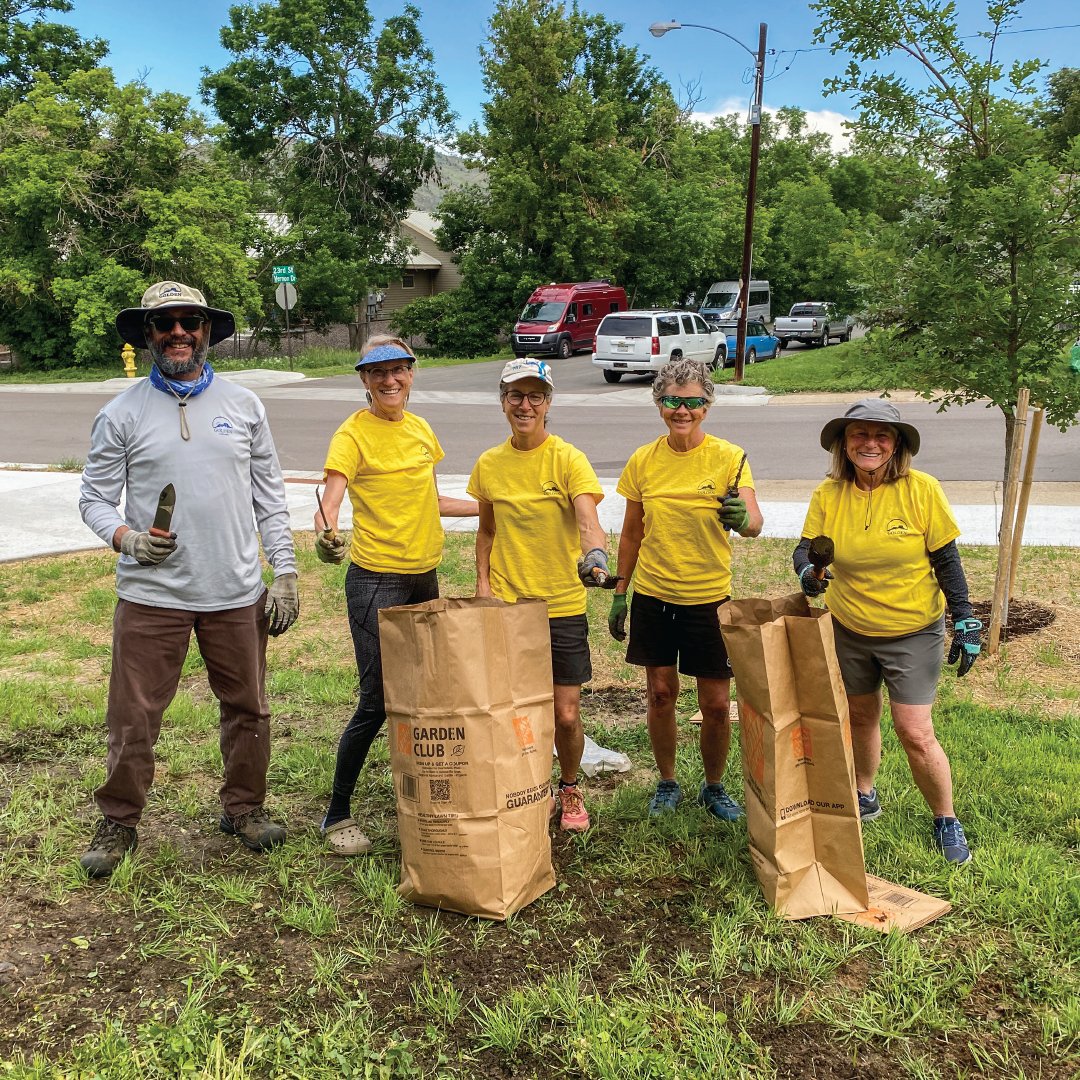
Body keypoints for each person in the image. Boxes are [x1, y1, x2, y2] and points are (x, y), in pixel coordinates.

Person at [78, 280, 299, 878]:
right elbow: (95, 500)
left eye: (190, 323)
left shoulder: (244, 405)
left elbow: (270, 499)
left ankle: (244, 809)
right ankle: (119, 820)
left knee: (248, 707)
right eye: (166, 323)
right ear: (147, 334)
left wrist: (284, 571)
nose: (180, 333)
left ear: (207, 332)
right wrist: (127, 538)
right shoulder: (120, 413)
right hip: (151, 595)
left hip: (234, 590)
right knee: (133, 715)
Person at [793, 398, 981, 866]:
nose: (870, 443)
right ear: (844, 444)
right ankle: (864, 793)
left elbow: (946, 559)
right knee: (860, 717)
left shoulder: (922, 490)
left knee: (914, 730)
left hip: (912, 630)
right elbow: (804, 550)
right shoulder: (828, 493)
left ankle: (945, 818)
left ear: (896, 445)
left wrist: (963, 616)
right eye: (859, 434)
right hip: (849, 627)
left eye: (881, 435)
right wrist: (807, 575)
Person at [313, 336, 477, 855]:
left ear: (411, 373)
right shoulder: (352, 435)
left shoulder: (422, 429)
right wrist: (325, 533)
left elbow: (430, 498)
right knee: (378, 700)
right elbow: (330, 499)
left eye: (398, 371)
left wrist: (497, 507)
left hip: (423, 578)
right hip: (375, 581)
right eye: (377, 373)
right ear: (364, 380)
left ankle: (422, 791)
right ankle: (337, 814)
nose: (389, 381)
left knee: (425, 693)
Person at [608, 356, 763, 819]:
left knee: (716, 703)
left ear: (707, 405)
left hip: (709, 598)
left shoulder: (729, 457)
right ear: (659, 404)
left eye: (693, 401)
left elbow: (753, 520)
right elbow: (632, 532)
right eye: (673, 400)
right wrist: (621, 592)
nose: (683, 410)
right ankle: (668, 781)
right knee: (660, 693)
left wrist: (744, 520)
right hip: (654, 596)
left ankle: (714, 787)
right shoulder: (643, 460)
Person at [468, 358, 612, 832]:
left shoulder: (567, 459)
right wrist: (483, 587)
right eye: (515, 396)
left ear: (548, 403)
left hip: (561, 605)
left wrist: (594, 554)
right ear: (503, 402)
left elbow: (588, 516)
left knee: (565, 714)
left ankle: (569, 787)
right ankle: (531, 788)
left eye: (535, 396)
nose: (525, 405)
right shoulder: (490, 464)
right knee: (515, 712)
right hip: (510, 607)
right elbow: (486, 531)